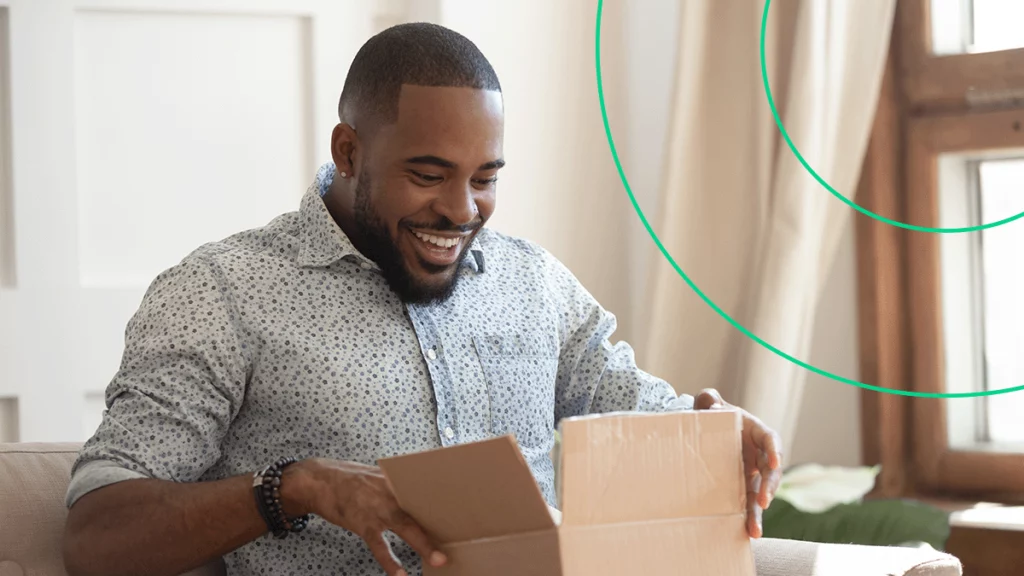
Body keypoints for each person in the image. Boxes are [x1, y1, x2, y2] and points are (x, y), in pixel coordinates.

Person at [62, 22, 783, 576]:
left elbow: (633, 405)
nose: (461, 210)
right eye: (428, 174)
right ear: (350, 152)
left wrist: (711, 433)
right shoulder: (223, 293)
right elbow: (98, 536)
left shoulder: (536, 285)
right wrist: (298, 487)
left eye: (486, 177)